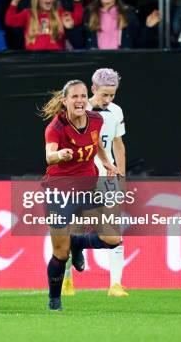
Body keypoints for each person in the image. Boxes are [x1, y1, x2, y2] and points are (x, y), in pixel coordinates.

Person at [41, 79, 120, 311]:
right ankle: (54, 300)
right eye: (74, 96)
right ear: (64, 101)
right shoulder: (56, 126)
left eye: (83, 96)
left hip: (87, 188)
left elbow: (96, 144)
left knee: (113, 239)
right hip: (59, 192)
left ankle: (77, 243)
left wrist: (106, 162)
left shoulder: (96, 119)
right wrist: (59, 156)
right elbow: (48, 155)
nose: (79, 100)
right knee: (60, 253)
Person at [61, 68, 128, 297]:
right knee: (75, 227)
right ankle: (67, 281)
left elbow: (118, 144)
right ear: (93, 89)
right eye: (104, 95)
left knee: (112, 229)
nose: (108, 100)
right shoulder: (80, 109)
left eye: (112, 95)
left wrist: (122, 175)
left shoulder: (116, 112)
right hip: (81, 177)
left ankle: (116, 284)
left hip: (107, 178)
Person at [78, 0, 161, 49]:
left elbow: (139, 43)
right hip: (96, 60)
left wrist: (148, 27)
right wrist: (71, 29)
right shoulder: (88, 13)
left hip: (121, 60)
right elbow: (79, 44)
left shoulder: (129, 13)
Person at [5, 0, 82, 50]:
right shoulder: (28, 13)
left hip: (57, 57)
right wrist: (15, 1)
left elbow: (78, 19)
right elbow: (10, 21)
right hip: (34, 58)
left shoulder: (60, 13)